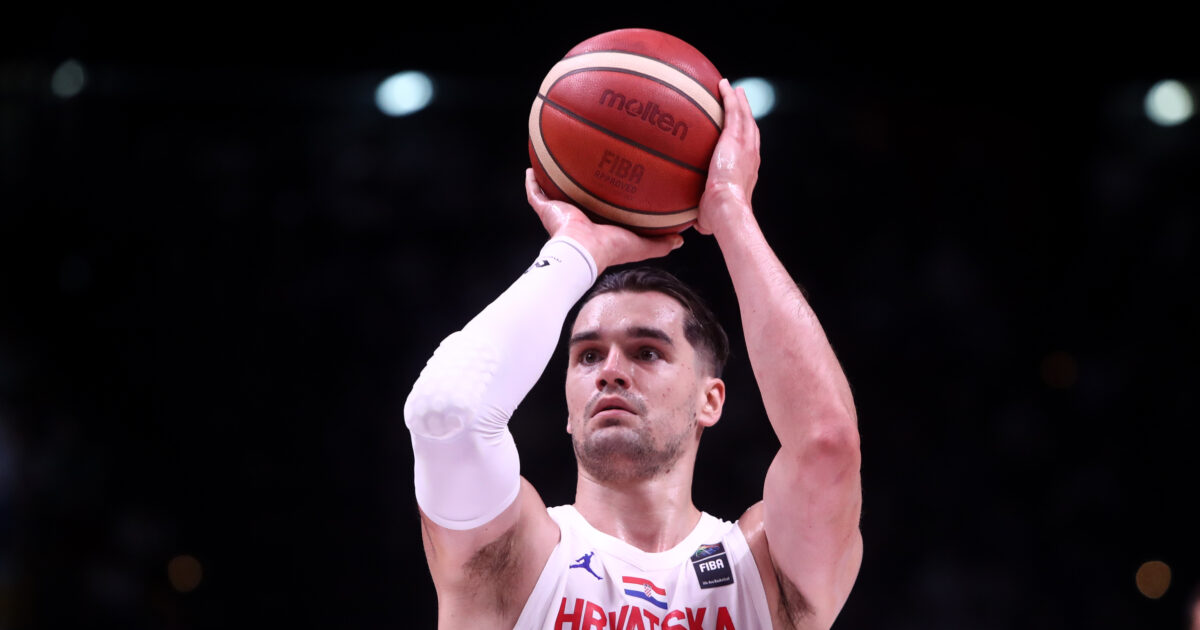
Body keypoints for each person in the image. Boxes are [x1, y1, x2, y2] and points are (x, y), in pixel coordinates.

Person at [404, 78, 862, 629]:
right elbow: (445, 414)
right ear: (567, 408)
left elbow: (826, 442)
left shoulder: (762, 571)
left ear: (711, 400)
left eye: (647, 352)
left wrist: (731, 209)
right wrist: (577, 252)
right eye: (587, 356)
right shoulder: (517, 558)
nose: (610, 372)